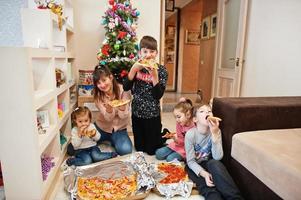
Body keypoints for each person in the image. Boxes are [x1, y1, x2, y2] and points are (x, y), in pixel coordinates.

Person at [185, 104, 243, 200]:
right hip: (195, 165)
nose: (207, 113)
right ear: (195, 119)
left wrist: (215, 134)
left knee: (215, 164)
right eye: (202, 111)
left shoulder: (216, 131)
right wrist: (205, 174)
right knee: (210, 191)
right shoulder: (190, 135)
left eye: (209, 111)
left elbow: (217, 157)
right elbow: (190, 161)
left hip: (210, 162)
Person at [123, 35, 168, 155]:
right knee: (140, 149)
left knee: (152, 151)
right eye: (145, 51)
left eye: (152, 51)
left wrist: (155, 76)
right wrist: (133, 70)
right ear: (140, 53)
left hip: (153, 114)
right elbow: (126, 87)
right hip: (137, 113)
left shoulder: (162, 70)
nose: (148, 55)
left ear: (157, 53)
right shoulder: (135, 67)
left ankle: (162, 135)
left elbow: (158, 95)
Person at [93, 64, 133, 156]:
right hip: (101, 128)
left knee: (126, 150)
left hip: (119, 129)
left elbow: (124, 116)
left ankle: (112, 140)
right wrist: (109, 110)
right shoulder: (98, 96)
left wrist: (122, 108)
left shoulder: (124, 90)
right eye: (98, 83)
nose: (102, 85)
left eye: (104, 80)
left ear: (110, 77)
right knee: (73, 148)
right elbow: (108, 119)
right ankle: (106, 141)